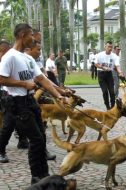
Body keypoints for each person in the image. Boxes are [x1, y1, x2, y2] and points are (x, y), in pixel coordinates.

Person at [0, 23, 65, 184]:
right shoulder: (10, 56)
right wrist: (23, 84)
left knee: (41, 137)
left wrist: (59, 94)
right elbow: (1, 79)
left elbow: (42, 79)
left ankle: (44, 174)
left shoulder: (28, 58)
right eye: (31, 36)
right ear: (22, 35)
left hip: (30, 101)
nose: (34, 39)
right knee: (35, 140)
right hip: (17, 102)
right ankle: (37, 177)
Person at [95, 41, 124, 110]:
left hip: (109, 74)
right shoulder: (99, 55)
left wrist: (120, 72)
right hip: (101, 74)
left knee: (112, 91)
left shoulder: (114, 56)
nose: (110, 48)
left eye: (111, 47)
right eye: (108, 46)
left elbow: (117, 66)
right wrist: (103, 67)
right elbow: (96, 64)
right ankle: (107, 106)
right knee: (105, 91)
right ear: (105, 47)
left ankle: (113, 106)